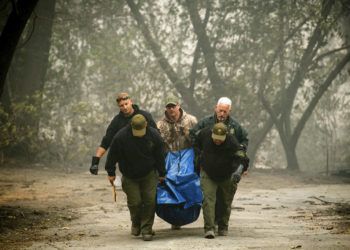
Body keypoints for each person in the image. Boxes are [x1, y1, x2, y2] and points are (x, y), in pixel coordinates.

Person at [189, 96, 249, 234]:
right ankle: (209, 228)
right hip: (209, 167)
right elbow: (194, 138)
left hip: (227, 169)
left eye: (225, 112)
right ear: (216, 108)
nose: (222, 114)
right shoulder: (206, 125)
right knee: (208, 199)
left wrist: (239, 167)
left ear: (229, 111)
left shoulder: (234, 128)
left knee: (224, 200)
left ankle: (222, 225)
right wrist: (200, 156)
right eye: (220, 111)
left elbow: (243, 146)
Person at [105, 114, 166, 241]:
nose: (139, 133)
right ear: (131, 126)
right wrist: (111, 172)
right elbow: (112, 155)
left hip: (149, 173)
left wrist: (162, 173)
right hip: (129, 175)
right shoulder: (121, 137)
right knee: (135, 202)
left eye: (141, 131)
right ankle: (136, 222)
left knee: (150, 201)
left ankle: (146, 229)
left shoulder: (154, 136)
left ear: (146, 125)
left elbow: (160, 156)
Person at [90, 92, 157, 175]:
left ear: (131, 102)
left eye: (126, 104)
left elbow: (157, 137)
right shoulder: (117, 121)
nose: (125, 107)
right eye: (122, 105)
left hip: (147, 161)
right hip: (127, 165)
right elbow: (106, 141)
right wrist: (95, 162)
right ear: (119, 106)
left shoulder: (145, 116)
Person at [157, 96, 197, 229]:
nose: (171, 109)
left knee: (189, 183)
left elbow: (198, 140)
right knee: (170, 184)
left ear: (178, 106)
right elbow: (159, 145)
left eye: (173, 106)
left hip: (188, 154)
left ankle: (191, 211)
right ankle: (174, 219)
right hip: (170, 156)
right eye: (168, 107)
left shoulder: (191, 120)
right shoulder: (161, 124)